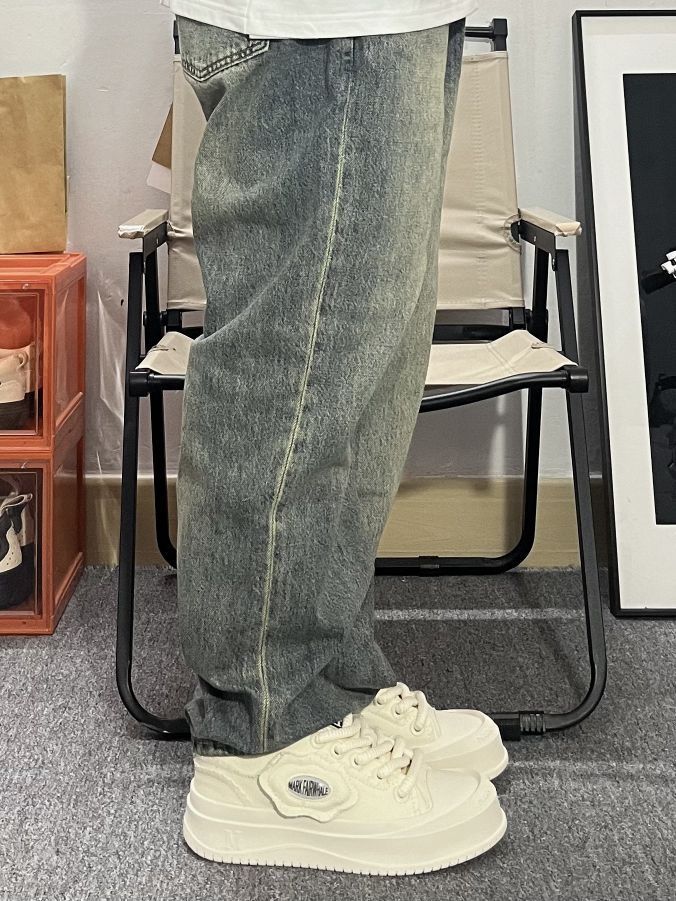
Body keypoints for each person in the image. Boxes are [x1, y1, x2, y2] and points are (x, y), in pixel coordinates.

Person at [162, 0, 509, 875]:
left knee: (360, 379)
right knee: (299, 362)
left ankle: (333, 682)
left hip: (390, 22)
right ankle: (262, 736)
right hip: (321, 24)